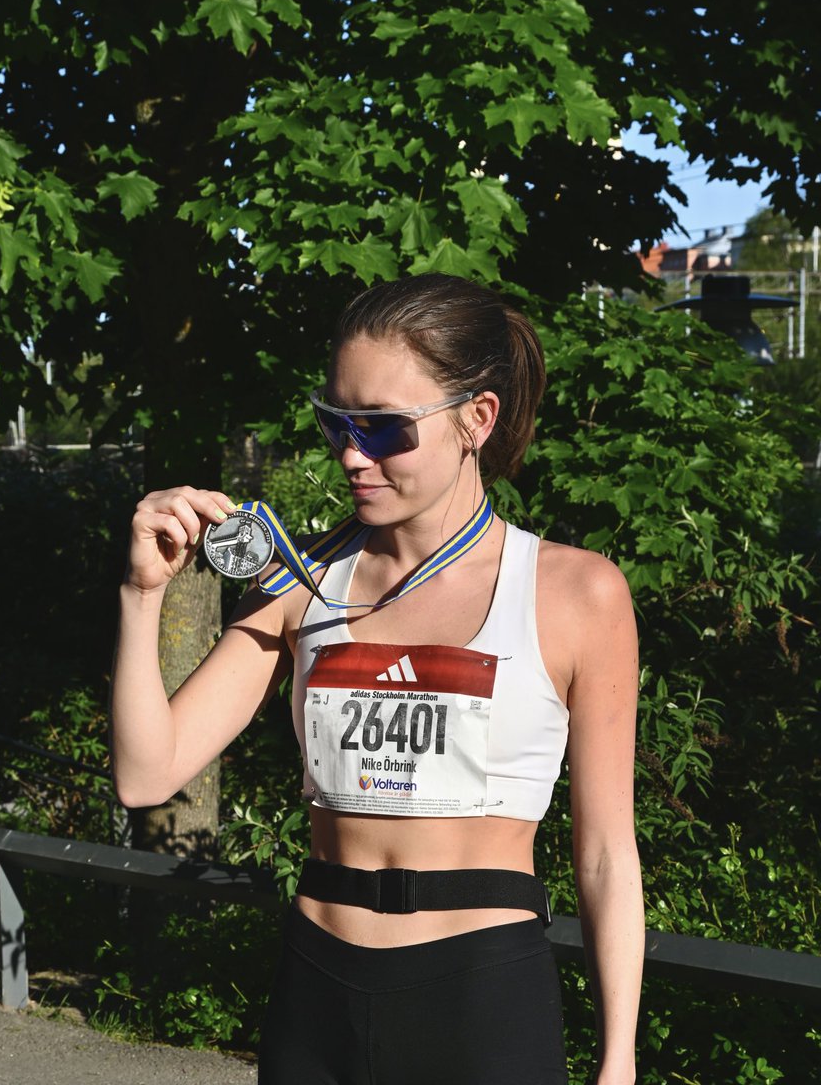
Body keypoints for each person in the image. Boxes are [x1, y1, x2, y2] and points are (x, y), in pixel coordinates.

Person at [111, 273, 643, 1085]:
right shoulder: (299, 582)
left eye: (387, 428)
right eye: (338, 422)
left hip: (480, 999)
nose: (353, 455)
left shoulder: (576, 592)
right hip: (316, 992)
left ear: (478, 418)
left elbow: (604, 853)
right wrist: (142, 594)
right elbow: (147, 775)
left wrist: (619, 1059)